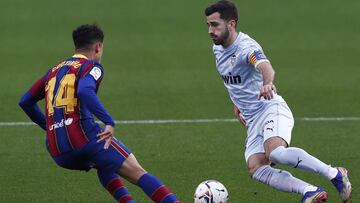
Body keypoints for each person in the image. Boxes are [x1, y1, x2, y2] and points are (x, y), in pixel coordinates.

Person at [204, 1, 352, 202]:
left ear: (231, 24)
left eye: (215, 25)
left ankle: (334, 174)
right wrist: (238, 103)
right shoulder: (218, 49)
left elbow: (265, 66)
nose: (210, 31)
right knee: (256, 167)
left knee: (276, 153)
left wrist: (267, 83)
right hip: (252, 119)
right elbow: (235, 78)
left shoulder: (246, 47)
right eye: (208, 25)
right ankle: (309, 190)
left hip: (270, 108)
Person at [19, 24, 180, 203]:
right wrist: (108, 121)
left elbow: (25, 102)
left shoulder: (53, 71)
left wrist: (49, 126)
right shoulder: (91, 66)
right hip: (84, 140)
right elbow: (85, 90)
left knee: (105, 163)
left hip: (57, 150)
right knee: (137, 171)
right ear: (98, 47)